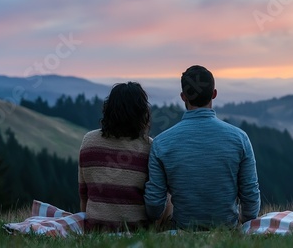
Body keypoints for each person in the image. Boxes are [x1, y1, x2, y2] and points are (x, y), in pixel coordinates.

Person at [144, 65, 261, 230]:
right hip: (227, 229)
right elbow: (250, 193)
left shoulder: (161, 143)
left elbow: (154, 206)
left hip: (182, 230)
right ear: (214, 94)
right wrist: (245, 219)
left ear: (183, 97)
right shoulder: (240, 139)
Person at [78, 82, 152, 232]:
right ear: (142, 113)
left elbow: (83, 194)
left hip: (96, 229)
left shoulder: (89, 141)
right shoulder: (149, 147)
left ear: (109, 109)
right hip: (136, 230)